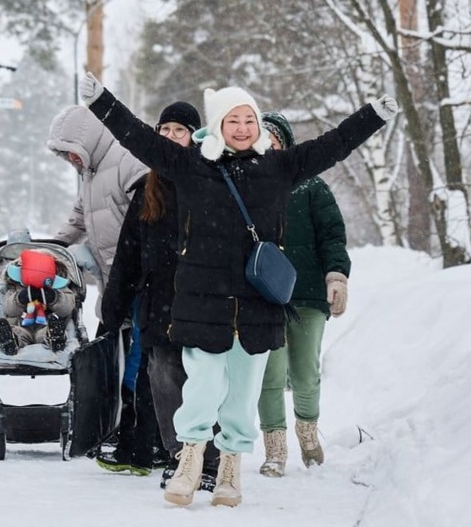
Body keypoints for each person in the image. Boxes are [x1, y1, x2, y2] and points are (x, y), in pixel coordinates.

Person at [78, 71, 398, 508]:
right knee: (203, 388)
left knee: (243, 394)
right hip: (202, 302)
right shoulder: (193, 167)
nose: (244, 127)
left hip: (257, 305)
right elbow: (138, 138)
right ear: (218, 125)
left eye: (250, 119)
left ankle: (230, 467)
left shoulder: (279, 167)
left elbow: (334, 145)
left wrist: (373, 116)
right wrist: (102, 103)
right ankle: (190, 459)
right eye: (234, 120)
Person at [100, 101, 219, 491]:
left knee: (202, 381)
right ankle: (180, 457)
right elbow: (128, 254)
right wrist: (113, 307)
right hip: (158, 303)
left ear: (194, 138)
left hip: (203, 301)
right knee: (162, 378)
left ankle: (210, 459)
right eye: (164, 130)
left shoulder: (208, 181)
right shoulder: (146, 191)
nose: (170, 138)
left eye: (178, 131)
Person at [46, 104, 149, 467]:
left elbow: (148, 208)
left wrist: (137, 260)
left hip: (141, 278)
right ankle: (116, 424)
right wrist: (56, 246)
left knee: (137, 356)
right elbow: (79, 216)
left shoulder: (125, 159)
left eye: (71, 150)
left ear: (87, 139)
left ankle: (138, 429)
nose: (70, 159)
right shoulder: (91, 172)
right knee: (116, 353)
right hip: (116, 282)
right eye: (65, 155)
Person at [255, 111, 351, 476]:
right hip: (265, 297)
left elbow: (332, 235)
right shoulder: (248, 186)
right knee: (270, 375)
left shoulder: (312, 187)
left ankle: (308, 433)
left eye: (274, 139)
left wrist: (336, 277)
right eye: (262, 140)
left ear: (287, 144)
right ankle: (275, 450)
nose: (268, 146)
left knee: (306, 372)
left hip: (308, 295)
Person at [0, 248, 76, 354]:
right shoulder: (15, 287)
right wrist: (20, 299)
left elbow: (67, 307)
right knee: (18, 332)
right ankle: (11, 341)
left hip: (47, 323)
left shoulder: (59, 288)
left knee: (46, 332)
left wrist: (54, 298)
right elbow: (8, 309)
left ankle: (55, 338)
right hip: (21, 324)